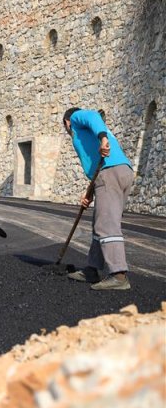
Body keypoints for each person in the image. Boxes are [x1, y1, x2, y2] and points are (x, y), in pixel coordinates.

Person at [63, 108, 134, 291]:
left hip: (109, 172)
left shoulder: (76, 119)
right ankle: (91, 269)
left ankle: (119, 275)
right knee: (100, 223)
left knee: (107, 225)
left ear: (66, 122)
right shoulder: (93, 131)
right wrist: (90, 192)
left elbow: (93, 115)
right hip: (120, 171)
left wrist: (103, 139)